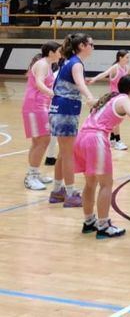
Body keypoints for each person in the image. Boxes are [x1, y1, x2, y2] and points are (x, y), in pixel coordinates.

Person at [77, 75, 130, 239]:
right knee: (106, 184)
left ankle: (89, 222)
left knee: (90, 183)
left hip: (82, 136)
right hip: (96, 139)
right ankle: (103, 225)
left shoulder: (111, 97)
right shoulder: (124, 100)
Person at [48, 33, 97, 207]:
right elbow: (80, 83)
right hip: (66, 109)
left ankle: (57, 191)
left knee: (63, 153)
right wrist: (90, 97)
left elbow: (76, 83)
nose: (93, 47)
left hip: (59, 107)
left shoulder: (70, 61)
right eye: (91, 44)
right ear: (82, 46)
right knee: (68, 154)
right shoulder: (76, 63)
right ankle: (70, 194)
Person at [86, 49, 130, 150]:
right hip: (114, 98)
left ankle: (113, 140)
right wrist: (94, 79)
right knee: (116, 121)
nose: (128, 59)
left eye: (129, 57)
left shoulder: (127, 68)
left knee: (117, 121)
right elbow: (104, 73)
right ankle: (117, 141)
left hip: (122, 98)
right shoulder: (115, 68)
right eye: (127, 57)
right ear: (120, 58)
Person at [22, 41, 61, 190]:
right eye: (58, 51)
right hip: (34, 106)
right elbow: (39, 83)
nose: (60, 54)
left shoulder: (47, 65)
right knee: (43, 140)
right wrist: (55, 95)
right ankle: (30, 177)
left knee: (38, 141)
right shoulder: (43, 64)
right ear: (51, 52)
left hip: (40, 106)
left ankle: (34, 173)